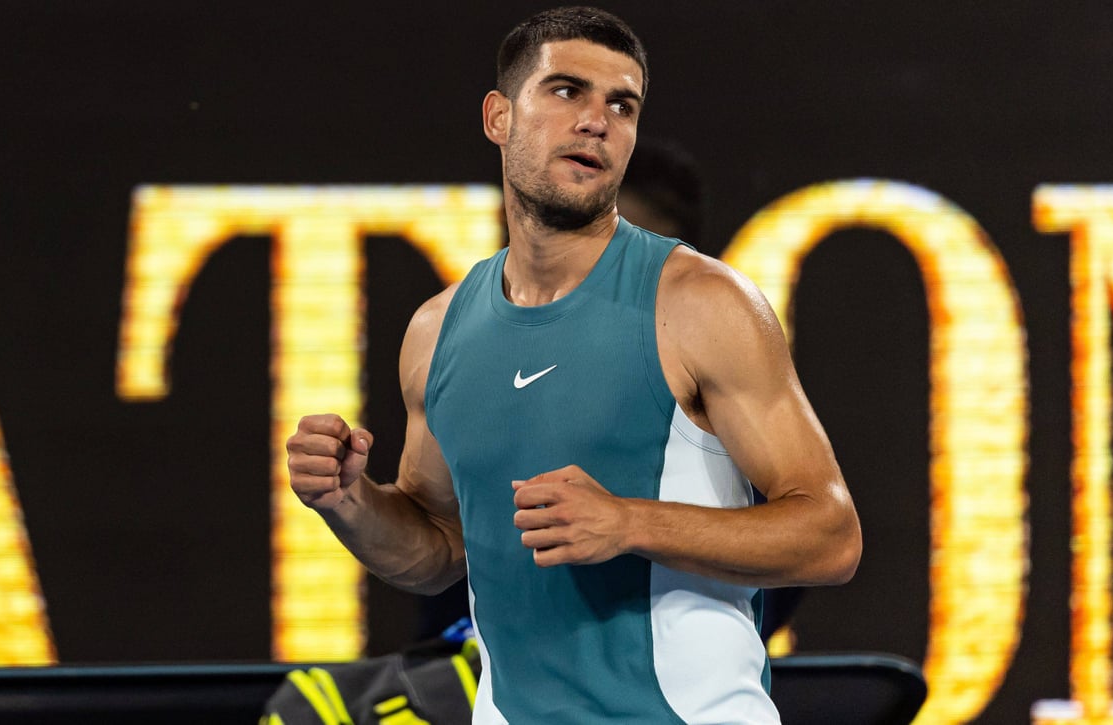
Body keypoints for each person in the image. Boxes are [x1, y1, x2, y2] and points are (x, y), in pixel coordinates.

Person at [285, 7, 861, 723]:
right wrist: (348, 501)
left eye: (622, 105)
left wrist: (628, 522)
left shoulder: (702, 303)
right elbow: (437, 547)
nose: (597, 121)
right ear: (499, 116)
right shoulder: (438, 330)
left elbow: (831, 534)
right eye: (566, 92)